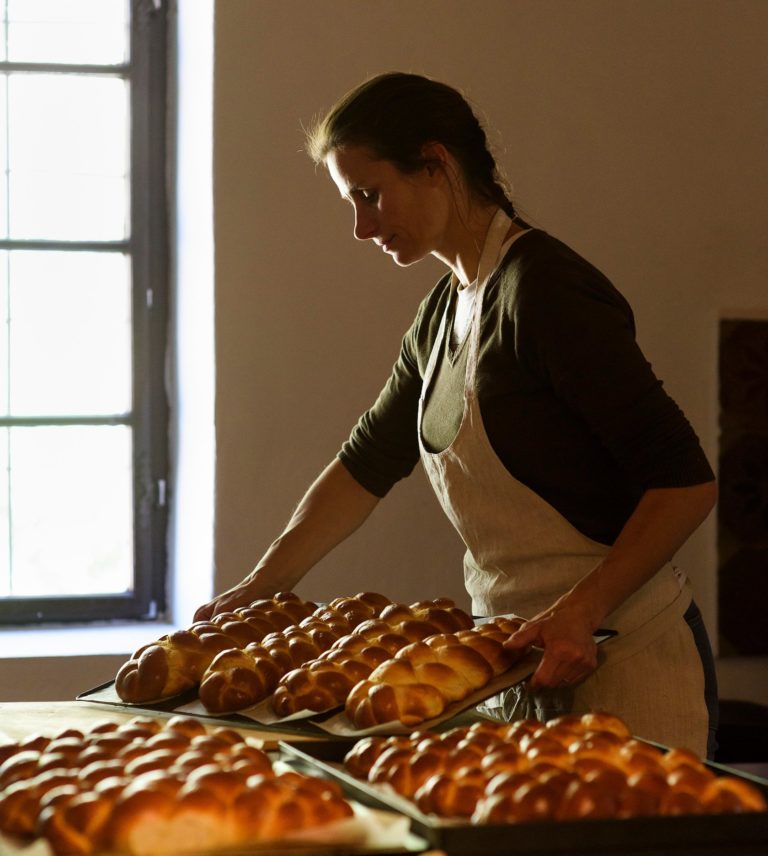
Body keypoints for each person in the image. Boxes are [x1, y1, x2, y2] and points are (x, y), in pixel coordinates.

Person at [195, 72, 719, 758]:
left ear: (436, 164)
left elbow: (685, 483)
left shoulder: (545, 292)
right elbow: (363, 466)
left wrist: (581, 612)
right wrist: (262, 587)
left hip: (630, 659)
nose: (361, 227)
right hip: (517, 661)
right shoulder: (442, 313)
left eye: (370, 194)